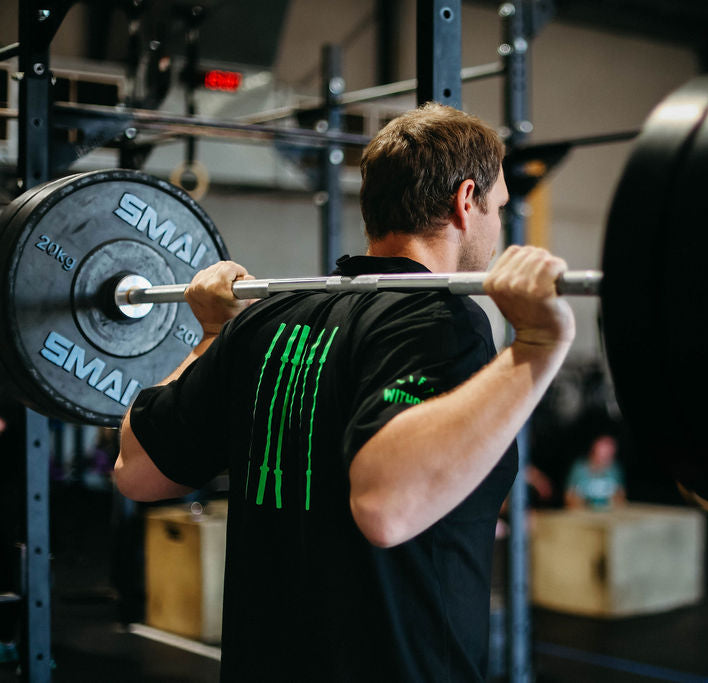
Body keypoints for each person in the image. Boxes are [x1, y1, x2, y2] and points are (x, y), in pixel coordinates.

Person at [114, 103, 575, 681]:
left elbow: (136, 468)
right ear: (465, 201)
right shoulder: (439, 321)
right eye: (499, 206)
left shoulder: (265, 320)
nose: (498, 223)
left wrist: (210, 336)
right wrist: (535, 347)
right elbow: (384, 507)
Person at [564, 431, 626, 510]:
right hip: (583, 517)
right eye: (605, 444)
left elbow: (621, 499)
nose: (609, 450)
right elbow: (568, 498)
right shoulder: (579, 468)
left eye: (612, 445)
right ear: (594, 445)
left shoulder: (614, 469)